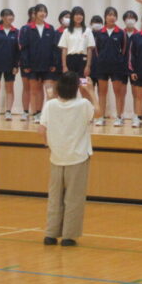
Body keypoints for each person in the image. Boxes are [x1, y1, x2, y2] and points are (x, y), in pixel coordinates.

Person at [38, 71, 97, 247]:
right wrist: (91, 91)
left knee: (55, 197)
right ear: (76, 87)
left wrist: (48, 145)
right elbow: (99, 113)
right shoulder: (83, 104)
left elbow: (41, 130)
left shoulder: (50, 105)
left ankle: (50, 234)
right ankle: (68, 236)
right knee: (73, 198)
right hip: (77, 157)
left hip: (56, 156)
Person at [20, 3, 59, 124]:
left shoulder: (50, 28)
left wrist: (53, 63)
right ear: (35, 13)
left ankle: (48, 114)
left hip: (48, 66)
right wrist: (26, 64)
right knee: (34, 90)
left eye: (44, 11)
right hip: (33, 66)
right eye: (40, 11)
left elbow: (54, 47)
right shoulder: (27, 29)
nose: (43, 13)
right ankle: (36, 113)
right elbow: (24, 48)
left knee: (49, 90)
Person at [93, 7, 129, 127]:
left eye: (113, 15)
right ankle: (101, 117)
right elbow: (97, 50)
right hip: (102, 67)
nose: (111, 17)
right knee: (102, 93)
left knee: (118, 92)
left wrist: (120, 62)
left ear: (116, 17)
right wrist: (101, 60)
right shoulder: (99, 33)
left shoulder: (121, 33)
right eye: (109, 15)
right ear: (105, 17)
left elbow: (124, 51)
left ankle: (119, 117)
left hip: (116, 67)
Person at [58, 6, 96, 79]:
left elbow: (89, 50)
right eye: (76, 14)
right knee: (70, 84)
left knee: (82, 83)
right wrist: (64, 66)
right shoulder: (66, 31)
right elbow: (64, 50)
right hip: (70, 60)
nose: (79, 16)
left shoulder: (88, 31)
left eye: (81, 14)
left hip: (83, 60)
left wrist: (88, 66)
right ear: (72, 16)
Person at [18, 6, 37, 121]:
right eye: (34, 13)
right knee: (26, 88)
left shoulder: (45, 28)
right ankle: (25, 112)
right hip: (26, 63)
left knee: (36, 89)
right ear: (30, 15)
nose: (36, 15)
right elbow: (22, 47)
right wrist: (25, 64)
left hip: (39, 64)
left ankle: (36, 112)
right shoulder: (24, 29)